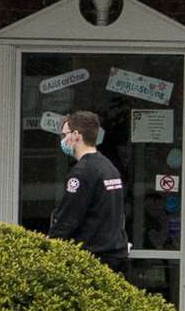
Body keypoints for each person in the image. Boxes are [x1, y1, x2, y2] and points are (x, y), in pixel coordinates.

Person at [49, 110, 129, 273]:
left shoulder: (82, 172)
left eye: (64, 135)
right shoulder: (108, 167)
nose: (63, 140)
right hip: (114, 254)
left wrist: (48, 245)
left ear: (76, 135)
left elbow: (68, 218)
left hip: (93, 258)